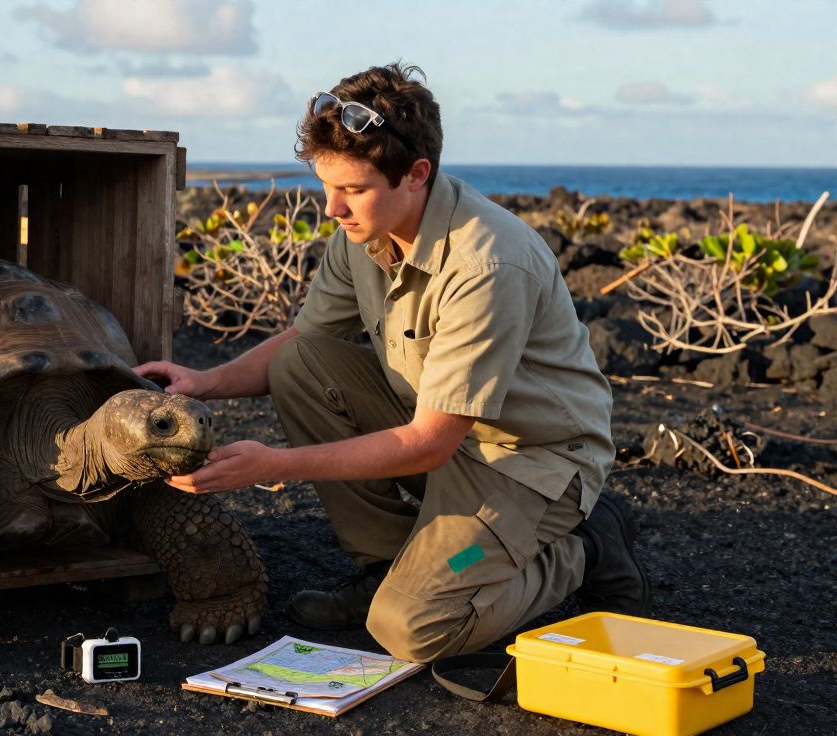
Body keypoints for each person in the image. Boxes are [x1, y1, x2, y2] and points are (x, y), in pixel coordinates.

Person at [134, 62, 649, 664]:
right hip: (440, 434)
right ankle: (388, 566)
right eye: (326, 185)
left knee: (414, 627)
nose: (333, 208)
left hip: (527, 466)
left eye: (353, 189)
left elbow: (429, 443)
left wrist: (272, 466)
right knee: (301, 361)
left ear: (416, 174)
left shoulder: (486, 266)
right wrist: (204, 383)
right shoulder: (362, 234)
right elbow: (305, 338)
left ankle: (582, 549)